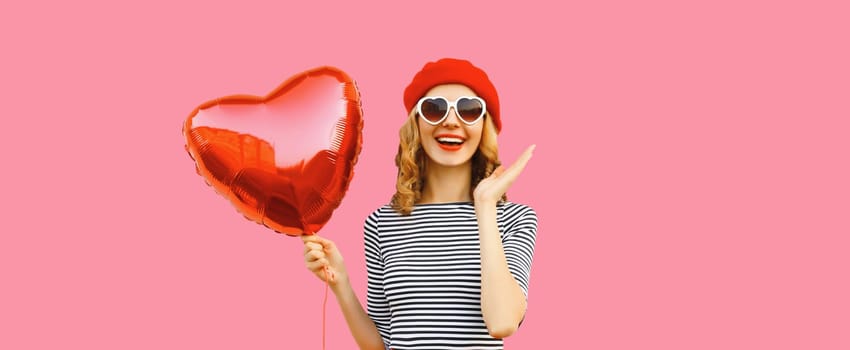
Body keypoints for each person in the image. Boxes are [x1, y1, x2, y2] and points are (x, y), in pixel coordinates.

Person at [302, 58, 538, 350]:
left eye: (468, 110)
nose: (451, 121)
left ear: (483, 126)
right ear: (416, 122)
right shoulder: (381, 223)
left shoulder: (514, 219)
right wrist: (341, 285)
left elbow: (503, 321)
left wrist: (485, 206)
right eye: (435, 108)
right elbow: (379, 345)